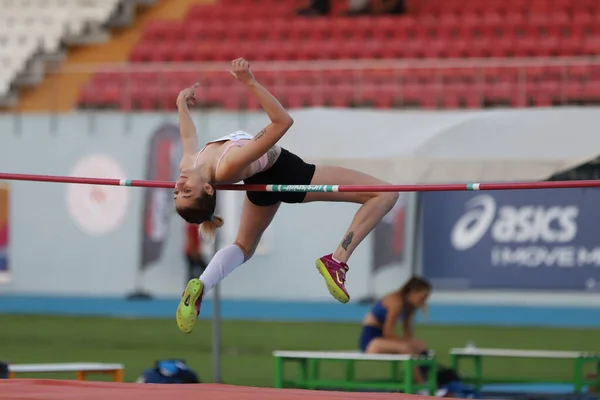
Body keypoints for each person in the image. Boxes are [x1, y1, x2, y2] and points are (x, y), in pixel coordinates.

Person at [173, 58, 399, 334]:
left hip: (261, 182)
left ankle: (202, 285)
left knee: (243, 247)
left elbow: (188, 138)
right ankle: (337, 259)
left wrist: (180, 105)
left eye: (177, 192)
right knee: (386, 193)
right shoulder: (229, 164)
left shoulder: (189, 166)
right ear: (208, 189)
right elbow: (282, 121)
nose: (179, 184)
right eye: (187, 191)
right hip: (289, 174)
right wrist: (250, 83)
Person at [358, 277, 431, 383]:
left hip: (382, 339)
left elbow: (407, 332)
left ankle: (425, 378)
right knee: (405, 348)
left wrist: (411, 344)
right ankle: (422, 385)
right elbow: (387, 332)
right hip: (371, 341)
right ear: (413, 292)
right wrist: (405, 344)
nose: (424, 301)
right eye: (423, 297)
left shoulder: (410, 305)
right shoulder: (395, 302)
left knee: (420, 345)